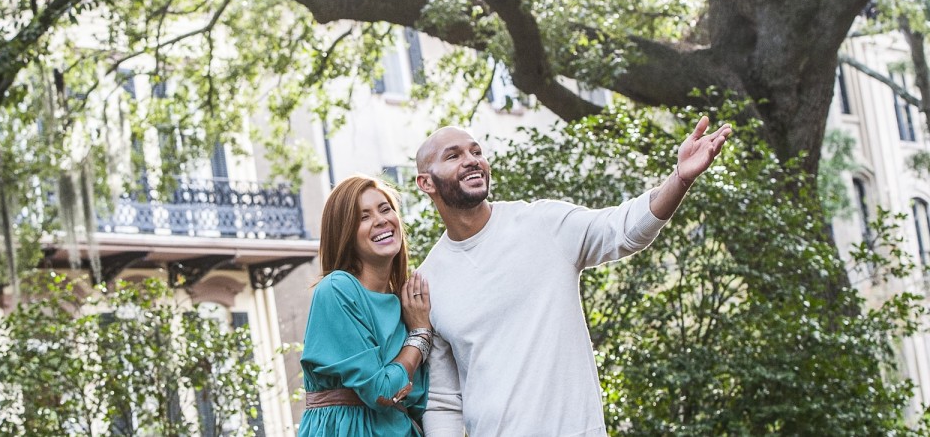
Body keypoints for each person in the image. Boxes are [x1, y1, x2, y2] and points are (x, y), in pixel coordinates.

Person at [415, 116, 732, 436]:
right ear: (426, 182)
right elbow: (444, 401)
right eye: (454, 156)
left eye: (477, 151)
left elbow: (623, 230)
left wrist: (679, 178)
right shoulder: (429, 280)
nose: (472, 161)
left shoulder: (542, 224)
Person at [298, 175, 433, 436]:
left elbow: (419, 400)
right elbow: (382, 392)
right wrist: (419, 337)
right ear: (345, 233)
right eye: (364, 217)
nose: (381, 220)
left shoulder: (408, 303)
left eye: (385, 209)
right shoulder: (338, 289)